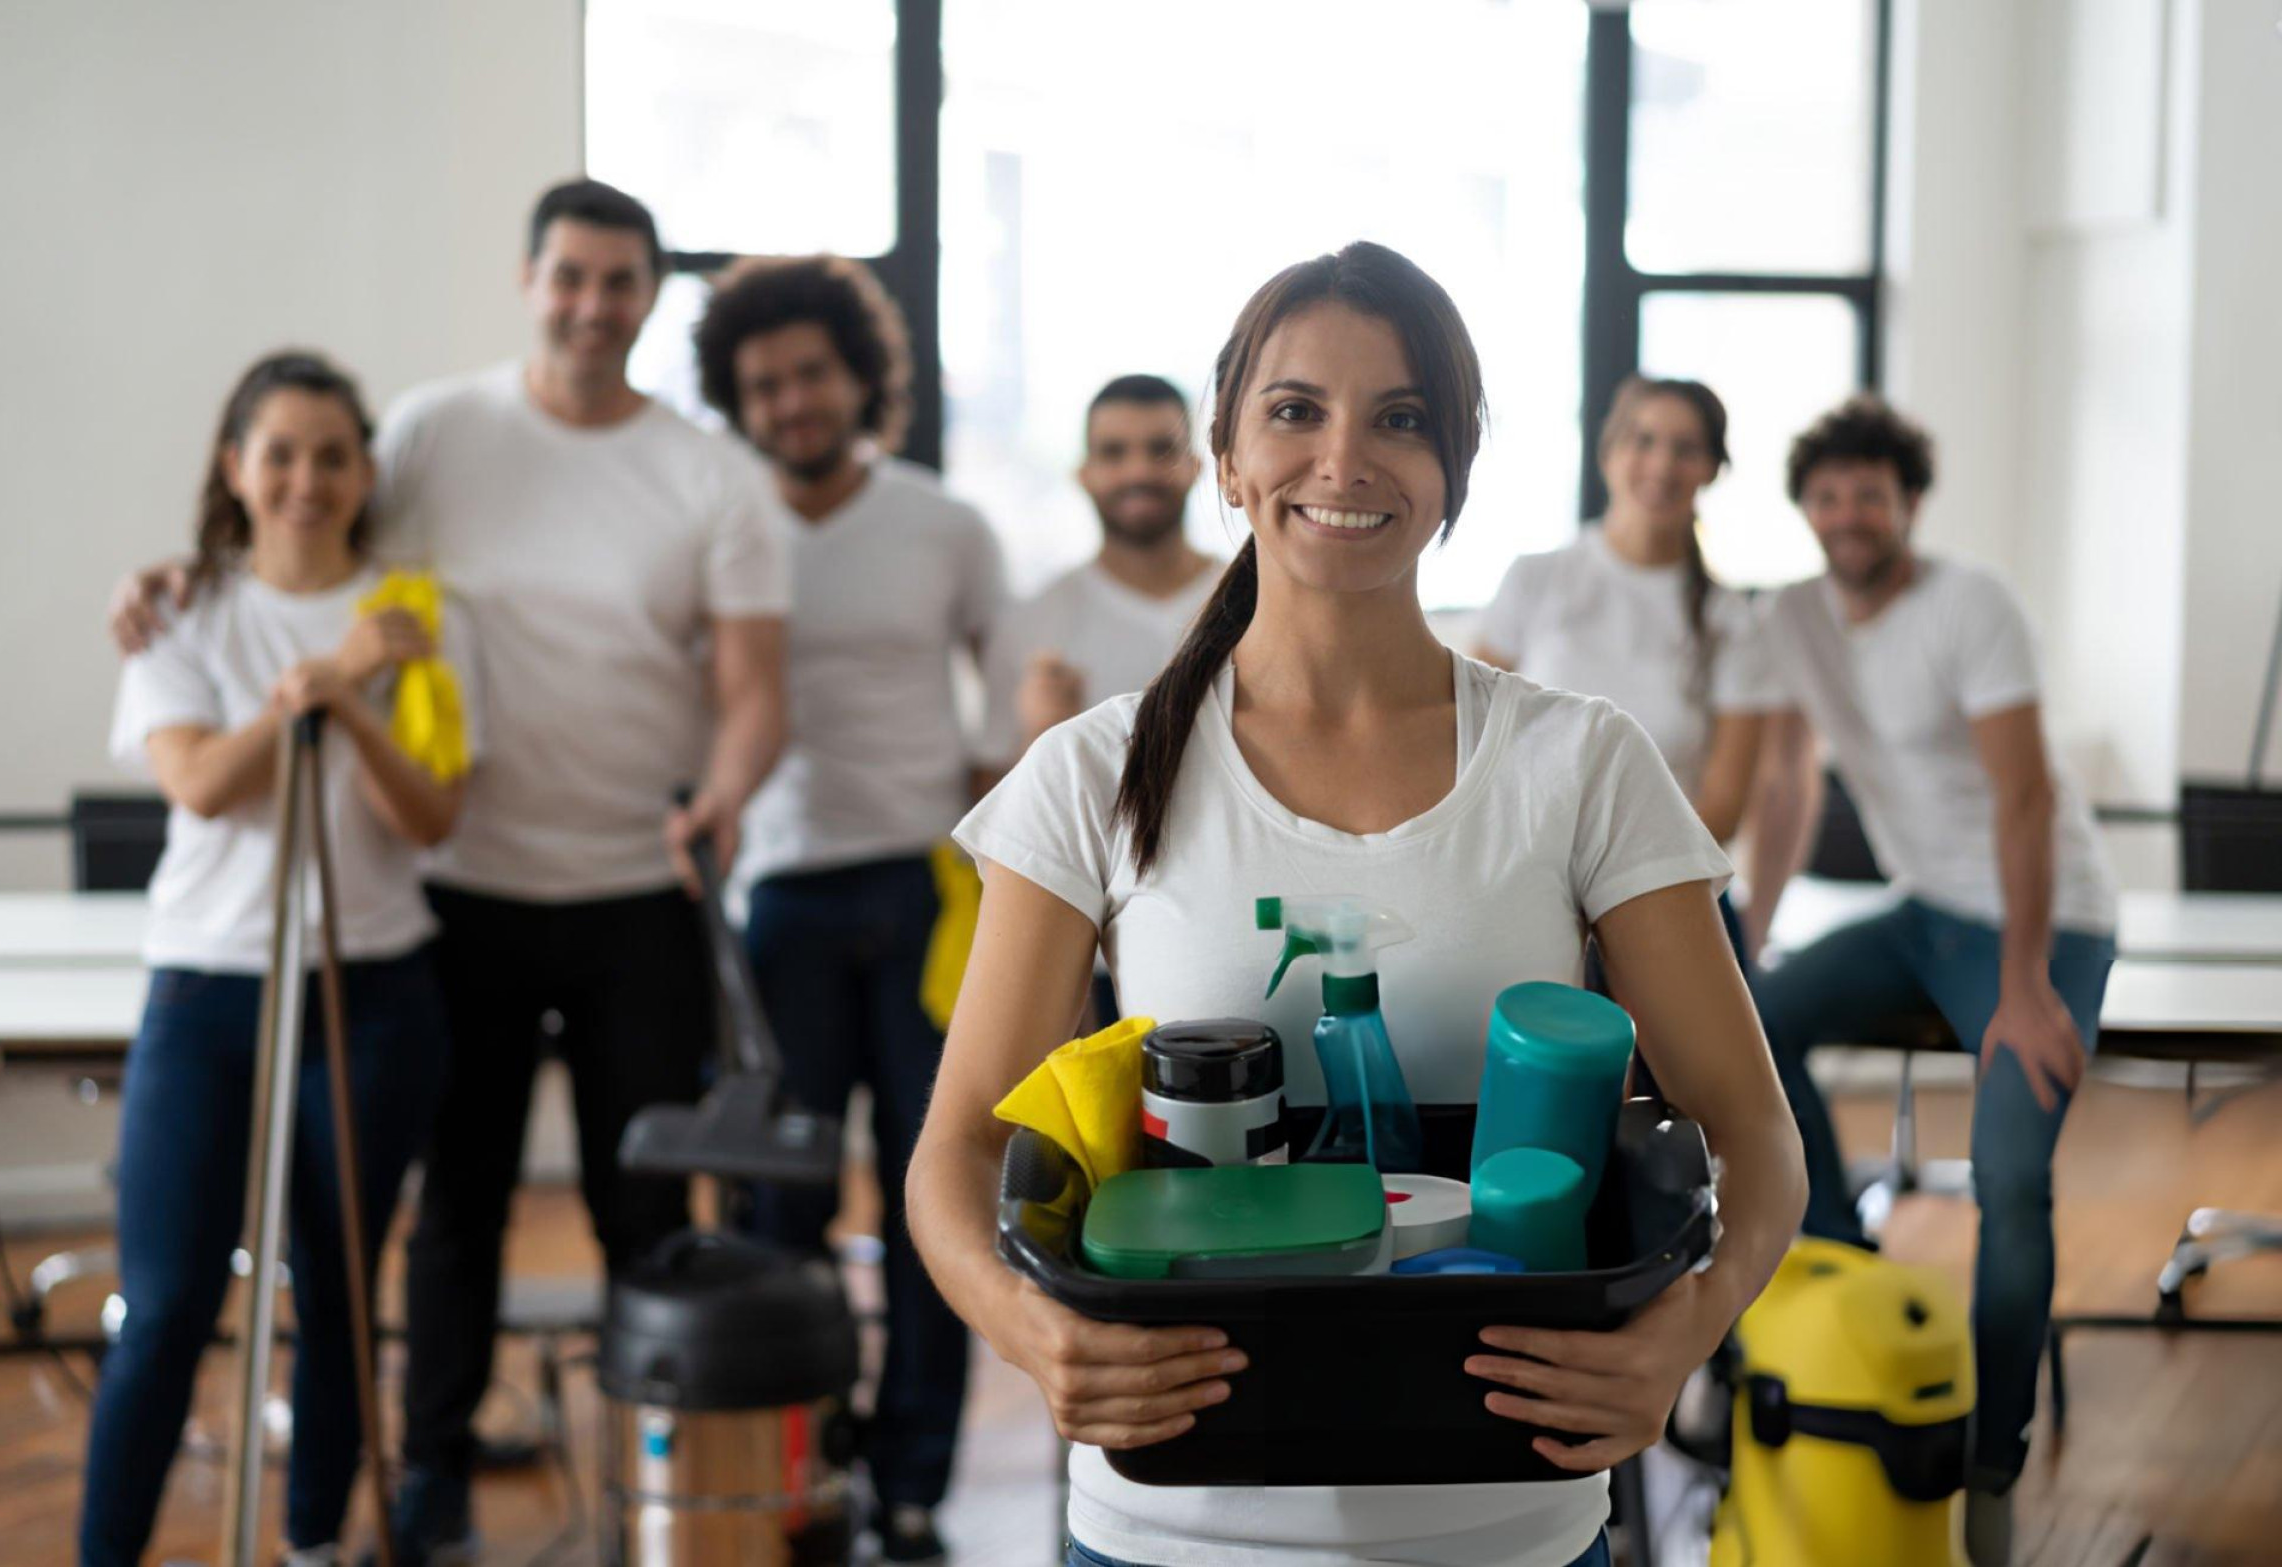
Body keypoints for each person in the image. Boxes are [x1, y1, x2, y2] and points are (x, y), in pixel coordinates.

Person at [907, 242, 1805, 1566]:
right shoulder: (1092, 771)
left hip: (1506, 1514)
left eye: (1400, 418)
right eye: (1293, 411)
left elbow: (1755, 1133)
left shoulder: (1581, 763)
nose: (1344, 458)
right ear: (1227, 456)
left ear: (1452, 472)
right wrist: (1028, 1324)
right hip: (1176, 1517)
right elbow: (955, 1155)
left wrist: (1686, 1324)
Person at [108, 179, 790, 1564]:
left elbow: (754, 687)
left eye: (620, 281)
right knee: (456, 1208)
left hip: (635, 894)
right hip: (456, 892)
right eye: (570, 276)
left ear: (648, 296)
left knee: (639, 1206)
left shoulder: (708, 472)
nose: (592, 305)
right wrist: (179, 580)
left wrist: (725, 791)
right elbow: (308, 535)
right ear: (529, 280)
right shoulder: (431, 428)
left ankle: (645, 1478)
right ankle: (429, 1480)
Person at [82, 351, 480, 1566]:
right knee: (163, 1308)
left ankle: (312, 1544)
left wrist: (360, 696)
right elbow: (199, 784)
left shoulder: (419, 617)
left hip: (373, 991)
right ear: (235, 467)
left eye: (333, 455)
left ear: (367, 471)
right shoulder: (180, 609)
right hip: (208, 988)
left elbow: (432, 818)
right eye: (281, 454)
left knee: (340, 1297)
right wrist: (317, 689)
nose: (308, 479)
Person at [1741, 394, 2119, 1567]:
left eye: (1872, 493)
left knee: (2013, 1176)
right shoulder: (1792, 616)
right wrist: (1747, 934)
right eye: (1830, 494)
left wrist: (2024, 985)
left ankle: (1992, 1458)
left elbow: (2028, 798)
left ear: (1908, 504)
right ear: (1805, 508)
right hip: (1916, 912)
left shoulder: (1972, 605)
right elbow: (1786, 780)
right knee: (1749, 1022)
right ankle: (1845, 1269)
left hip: (2039, 921)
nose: (1849, 513)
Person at [691, 253, 1005, 1564]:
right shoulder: (717, 525)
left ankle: (915, 1476)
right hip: (779, 903)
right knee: (780, 1204)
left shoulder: (944, 522)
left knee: (931, 1192)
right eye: (763, 383)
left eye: (811, 371)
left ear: (859, 375)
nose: (791, 400)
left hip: (923, 892)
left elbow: (1010, 720)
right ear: (736, 399)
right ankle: (797, 1452)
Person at [1473, 375, 1773, 844]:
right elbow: (1469, 741)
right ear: (1608, 453)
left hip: (1669, 882)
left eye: (1686, 448)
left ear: (1712, 469)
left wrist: (1616, 886)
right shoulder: (1535, 579)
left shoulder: (1731, 621)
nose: (1662, 464)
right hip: (1525, 861)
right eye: (1644, 440)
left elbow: (1723, 810)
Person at [981, 374, 1224, 774]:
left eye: (1161, 450)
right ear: (1084, 474)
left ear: (1196, 466)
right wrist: (1041, 737)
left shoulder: (1257, 603)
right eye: (1114, 453)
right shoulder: (1031, 625)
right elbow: (988, 796)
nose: (1139, 471)